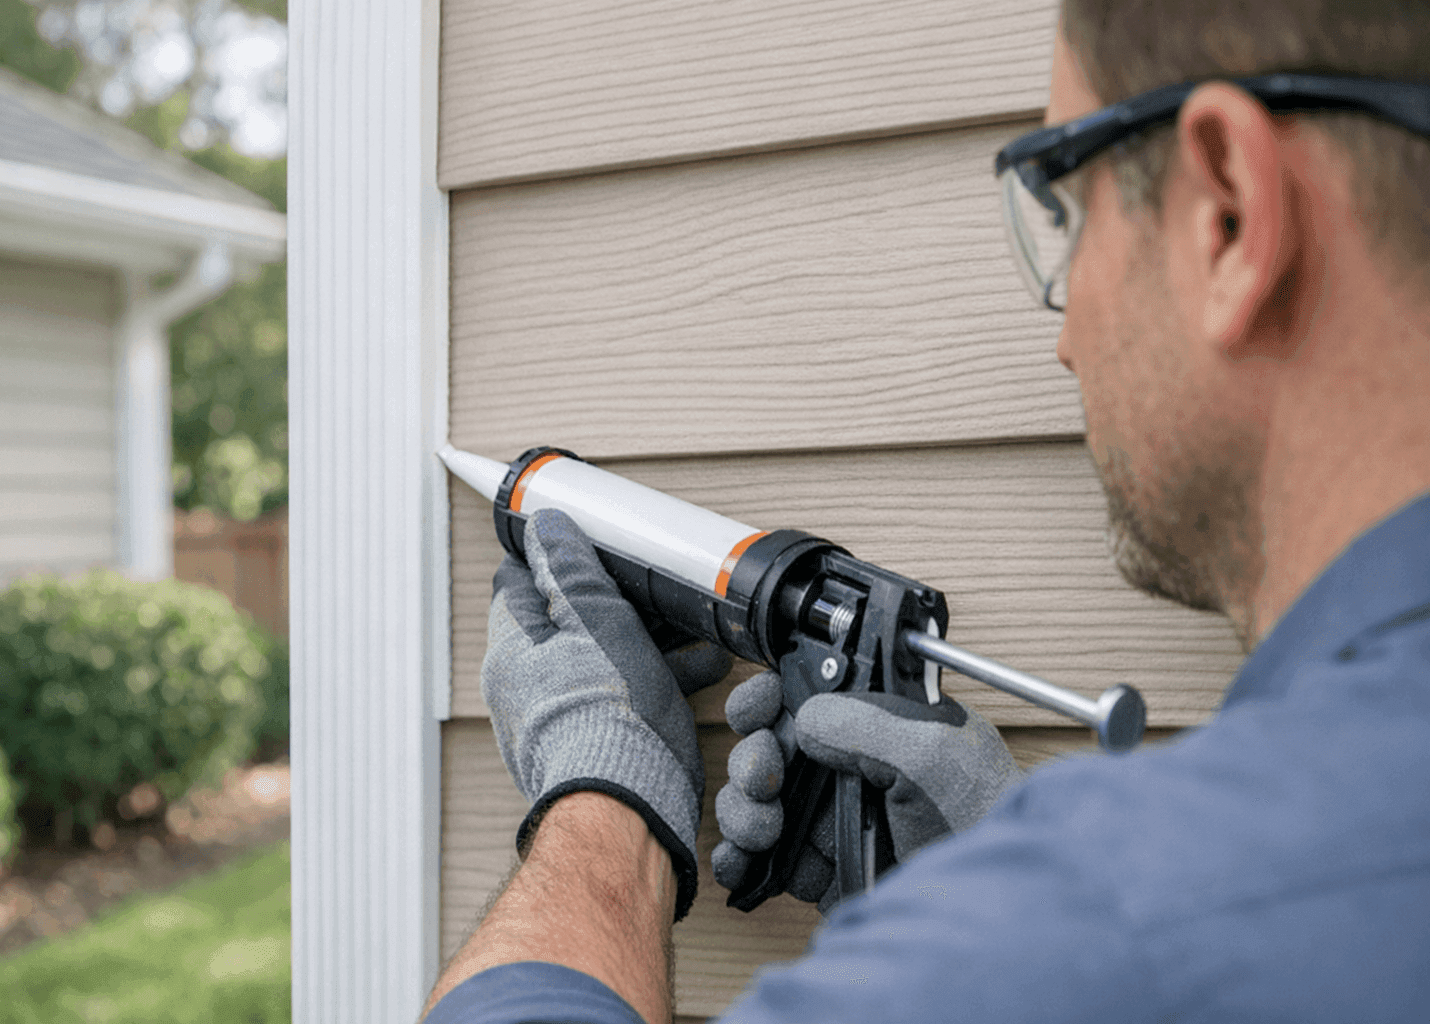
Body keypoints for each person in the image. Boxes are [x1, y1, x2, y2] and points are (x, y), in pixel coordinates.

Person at [420, 1, 1430, 1020]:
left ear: (1231, 213)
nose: (1067, 340)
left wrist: (606, 790)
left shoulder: (1132, 911)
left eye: (1068, 212)